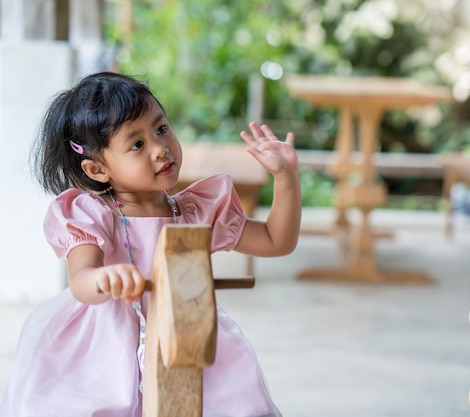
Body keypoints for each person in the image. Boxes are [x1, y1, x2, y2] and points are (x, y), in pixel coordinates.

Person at [0, 72, 301, 417]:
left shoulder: (196, 210)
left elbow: (277, 241)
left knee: (225, 404)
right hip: (107, 344)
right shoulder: (94, 213)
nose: (161, 148)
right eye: (137, 144)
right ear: (97, 169)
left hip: (184, 334)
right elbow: (81, 280)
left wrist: (286, 178)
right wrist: (104, 279)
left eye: (161, 129)